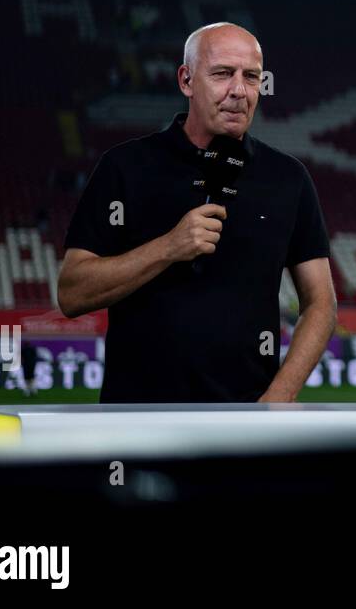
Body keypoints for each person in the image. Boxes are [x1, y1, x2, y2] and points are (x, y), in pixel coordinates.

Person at [57, 23, 336, 403]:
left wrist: (279, 397)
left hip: (246, 428)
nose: (239, 90)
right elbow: (72, 293)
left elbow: (321, 303)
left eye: (251, 77)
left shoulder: (288, 178)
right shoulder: (125, 167)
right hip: (138, 424)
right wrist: (168, 247)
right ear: (186, 81)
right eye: (222, 74)